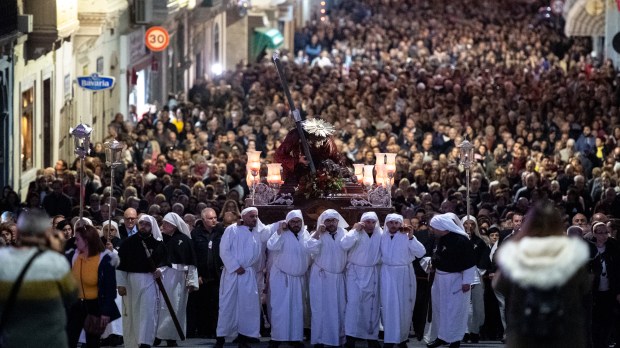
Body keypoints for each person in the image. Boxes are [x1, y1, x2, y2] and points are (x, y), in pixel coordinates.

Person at [493, 204, 591, 348]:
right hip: (564, 330)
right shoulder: (572, 252)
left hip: (525, 329)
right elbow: (584, 286)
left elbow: (499, 285)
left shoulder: (515, 252)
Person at [0, 209, 77, 347]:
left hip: (13, 340)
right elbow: (72, 296)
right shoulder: (56, 261)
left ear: (17, 232)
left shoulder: (2, 260)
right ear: (46, 233)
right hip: (51, 341)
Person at [215, 207, 272, 348]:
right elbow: (224, 250)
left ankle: (243, 338)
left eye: (256, 216)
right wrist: (234, 266)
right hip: (232, 274)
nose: (255, 219)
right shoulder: (232, 230)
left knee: (247, 306)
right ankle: (221, 338)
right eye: (252, 216)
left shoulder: (256, 232)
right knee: (228, 305)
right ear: (244, 216)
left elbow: (269, 229)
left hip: (248, 274)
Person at [116, 214, 169, 348]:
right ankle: (133, 343)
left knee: (148, 312)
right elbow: (120, 264)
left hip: (149, 280)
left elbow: (164, 262)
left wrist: (160, 271)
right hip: (131, 281)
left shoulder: (158, 243)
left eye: (147, 224)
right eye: (141, 224)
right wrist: (121, 284)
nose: (143, 226)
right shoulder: (128, 243)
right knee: (132, 313)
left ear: (152, 226)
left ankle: (145, 342)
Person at [426, 213, 476, 348]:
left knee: (455, 310)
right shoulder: (440, 238)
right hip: (439, 279)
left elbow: (470, 262)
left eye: (434, 227)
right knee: (440, 309)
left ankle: (454, 339)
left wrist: (467, 281)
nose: (432, 230)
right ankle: (442, 336)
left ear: (441, 227)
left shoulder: (462, 240)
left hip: (456, 279)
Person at [67, 225, 121, 348]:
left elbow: (110, 289)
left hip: (94, 305)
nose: (75, 242)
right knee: (69, 340)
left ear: (86, 241)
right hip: (75, 305)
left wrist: (106, 312)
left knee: (92, 342)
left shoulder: (104, 259)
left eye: (78, 239)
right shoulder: (73, 256)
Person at [380, 213, 426, 348]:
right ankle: (389, 338)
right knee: (388, 306)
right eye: (391, 223)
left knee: (404, 306)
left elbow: (421, 252)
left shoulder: (407, 237)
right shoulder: (381, 237)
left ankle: (402, 338)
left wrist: (411, 237)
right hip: (387, 274)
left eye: (396, 223)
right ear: (386, 224)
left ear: (401, 224)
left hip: (404, 275)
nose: (393, 226)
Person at [267, 209, 312, 348]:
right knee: (280, 308)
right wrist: (279, 231)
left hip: (298, 278)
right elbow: (271, 245)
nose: (296, 224)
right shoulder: (282, 234)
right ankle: (277, 338)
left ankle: (294, 338)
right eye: (292, 221)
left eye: (298, 221)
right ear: (287, 222)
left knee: (297, 309)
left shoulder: (305, 234)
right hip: (282, 277)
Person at [304, 209, 349, 347]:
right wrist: (318, 232)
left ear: (338, 221)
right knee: (320, 308)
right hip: (321, 278)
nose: (331, 223)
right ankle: (319, 339)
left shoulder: (345, 233)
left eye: (333, 220)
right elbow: (309, 248)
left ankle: (338, 338)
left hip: (338, 277)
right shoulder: (317, 235)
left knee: (339, 308)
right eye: (327, 220)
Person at [155, 212, 199, 347]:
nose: (164, 226)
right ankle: (157, 335)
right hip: (160, 277)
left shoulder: (184, 240)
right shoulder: (160, 239)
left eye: (167, 224)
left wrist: (192, 281)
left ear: (174, 225)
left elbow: (191, 262)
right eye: (163, 223)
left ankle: (171, 337)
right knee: (158, 306)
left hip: (178, 279)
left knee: (175, 306)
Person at [340, 212, 383, 348]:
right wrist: (354, 230)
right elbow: (344, 245)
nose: (370, 225)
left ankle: (371, 336)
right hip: (355, 272)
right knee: (353, 304)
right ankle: (350, 336)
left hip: (372, 272)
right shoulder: (356, 233)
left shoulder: (380, 234)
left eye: (372, 222)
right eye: (367, 222)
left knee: (372, 306)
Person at [187, 207, 225, 338]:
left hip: (218, 274)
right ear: (203, 220)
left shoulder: (221, 232)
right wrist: (196, 275)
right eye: (210, 218)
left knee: (216, 304)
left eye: (215, 217)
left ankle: (216, 330)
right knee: (202, 304)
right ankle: (203, 330)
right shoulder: (195, 234)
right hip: (202, 276)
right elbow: (193, 255)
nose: (214, 220)